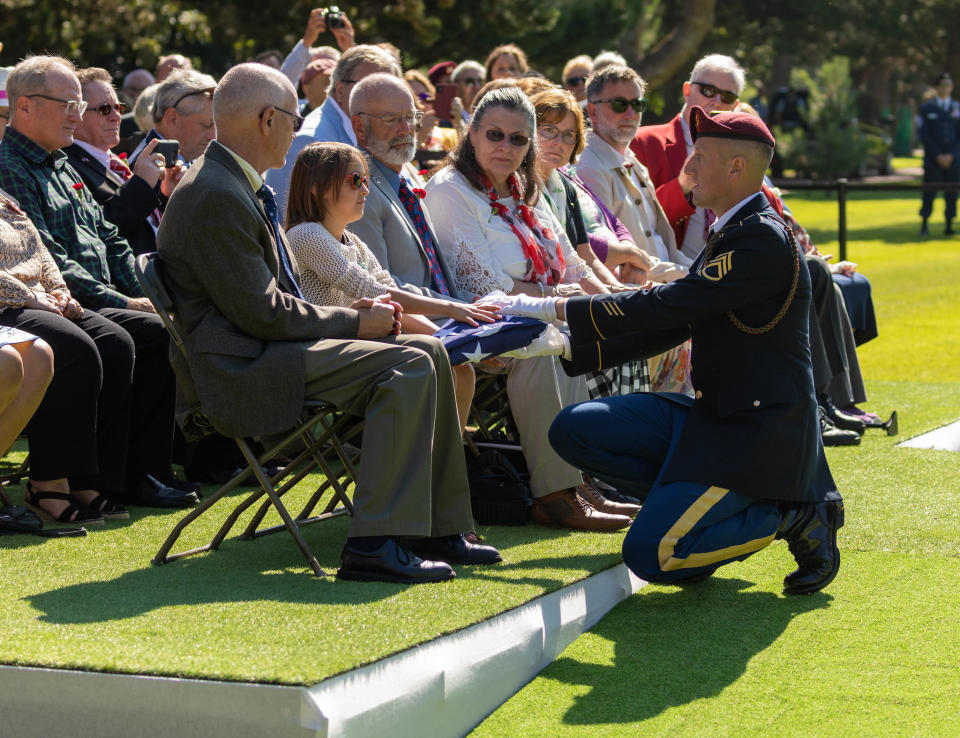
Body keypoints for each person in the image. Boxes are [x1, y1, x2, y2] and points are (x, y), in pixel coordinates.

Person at [157, 62, 500, 583]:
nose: (297, 131)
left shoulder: (228, 182)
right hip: (242, 369)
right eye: (294, 119)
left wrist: (350, 319)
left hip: (262, 350)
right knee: (410, 363)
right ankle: (374, 543)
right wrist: (353, 324)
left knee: (429, 353)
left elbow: (267, 307)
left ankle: (439, 525)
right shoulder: (215, 193)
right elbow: (263, 312)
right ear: (267, 119)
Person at [505, 108, 845, 595]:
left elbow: (670, 303)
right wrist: (563, 346)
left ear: (736, 169)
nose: (689, 165)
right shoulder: (736, 227)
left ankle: (787, 512)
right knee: (575, 430)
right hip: (718, 420)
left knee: (651, 554)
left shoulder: (759, 238)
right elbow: (681, 321)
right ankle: (692, 510)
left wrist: (552, 310)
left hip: (754, 439)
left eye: (701, 156)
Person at [425, 85, 636, 530]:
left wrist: (614, 304)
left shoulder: (525, 187)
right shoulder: (451, 189)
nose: (506, 147)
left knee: (585, 337)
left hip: (535, 310)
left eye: (518, 140)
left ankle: (580, 480)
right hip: (474, 322)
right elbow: (483, 287)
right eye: (495, 135)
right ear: (472, 133)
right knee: (545, 344)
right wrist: (559, 299)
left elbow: (572, 262)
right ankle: (554, 493)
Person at [0, 55, 197, 509]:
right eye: (67, 103)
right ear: (25, 106)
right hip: (43, 298)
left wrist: (145, 295)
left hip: (75, 294)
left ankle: (139, 472)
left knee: (154, 328)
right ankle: (97, 478)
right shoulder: (12, 165)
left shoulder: (60, 161)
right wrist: (124, 300)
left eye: (78, 102)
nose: (77, 112)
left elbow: (108, 238)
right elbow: (52, 259)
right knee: (125, 337)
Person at [285, 141, 500, 429]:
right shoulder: (306, 235)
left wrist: (455, 342)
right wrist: (452, 308)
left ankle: (447, 464)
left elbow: (391, 296)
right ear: (316, 187)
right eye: (356, 180)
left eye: (366, 179)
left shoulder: (354, 242)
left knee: (461, 368)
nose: (366, 189)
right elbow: (375, 291)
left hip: (359, 344)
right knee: (431, 364)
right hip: (325, 355)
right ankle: (425, 463)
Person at [577, 64, 690, 283]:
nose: (630, 113)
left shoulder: (630, 158)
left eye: (638, 104)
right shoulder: (588, 167)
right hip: (640, 294)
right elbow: (614, 260)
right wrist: (693, 275)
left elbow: (660, 243)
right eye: (619, 104)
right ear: (592, 110)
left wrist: (698, 268)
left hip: (666, 283)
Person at [631, 53, 745, 260]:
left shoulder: (740, 154)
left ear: (735, 106)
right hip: (668, 272)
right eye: (708, 91)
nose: (717, 102)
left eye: (727, 97)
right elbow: (637, 223)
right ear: (687, 90)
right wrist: (682, 185)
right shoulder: (644, 142)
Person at [265, 44, 400, 214]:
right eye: (372, 86)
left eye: (390, 88)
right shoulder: (309, 141)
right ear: (341, 90)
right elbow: (291, 222)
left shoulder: (371, 130)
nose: (385, 98)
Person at [66, 67, 184, 255]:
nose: (116, 116)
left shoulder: (110, 159)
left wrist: (164, 191)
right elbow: (97, 230)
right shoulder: (67, 165)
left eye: (119, 107)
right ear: (77, 114)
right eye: (105, 110)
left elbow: (145, 215)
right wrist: (142, 183)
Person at [129, 69, 217, 166]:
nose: (213, 136)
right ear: (172, 117)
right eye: (207, 125)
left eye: (216, 126)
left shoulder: (173, 160)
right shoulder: (149, 169)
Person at [918, 72, 960, 236]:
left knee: (952, 193)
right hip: (933, 159)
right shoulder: (926, 108)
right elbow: (924, 135)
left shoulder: (957, 108)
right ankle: (924, 224)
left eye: (948, 84)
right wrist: (937, 155)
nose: (945, 88)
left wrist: (953, 155)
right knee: (929, 192)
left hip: (953, 159)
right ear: (937, 87)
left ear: (952, 87)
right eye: (942, 84)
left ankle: (949, 224)